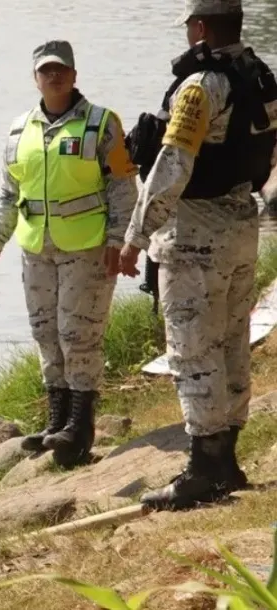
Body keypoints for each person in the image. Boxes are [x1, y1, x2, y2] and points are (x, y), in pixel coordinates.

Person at [120, 0, 277, 511]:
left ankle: (204, 471)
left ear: (201, 28)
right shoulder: (260, 76)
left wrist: (135, 235)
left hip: (195, 236)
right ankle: (225, 458)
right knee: (231, 342)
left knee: (192, 349)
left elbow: (172, 165)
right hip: (242, 226)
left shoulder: (199, 87)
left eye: (189, 25)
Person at [0, 40, 139, 468]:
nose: (54, 76)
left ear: (74, 74)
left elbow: (123, 186)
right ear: (35, 78)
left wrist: (118, 241)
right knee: (45, 332)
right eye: (46, 70)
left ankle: (80, 426)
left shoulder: (101, 123)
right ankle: (56, 421)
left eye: (61, 69)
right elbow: (9, 193)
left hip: (87, 246)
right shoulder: (20, 129)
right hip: (36, 248)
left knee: (78, 333)